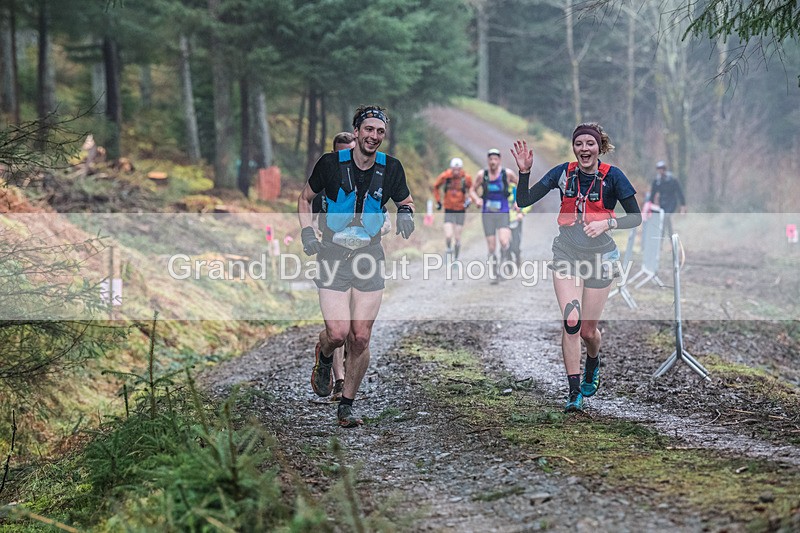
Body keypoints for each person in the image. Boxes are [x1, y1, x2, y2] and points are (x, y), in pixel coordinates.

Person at [511, 123, 642, 412]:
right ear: (574, 147)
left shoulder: (614, 177)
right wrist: (524, 172)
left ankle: (592, 362)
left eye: (590, 144)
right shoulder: (563, 173)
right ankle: (573, 393)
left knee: (587, 331)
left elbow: (636, 217)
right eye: (579, 143)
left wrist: (609, 222)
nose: (584, 149)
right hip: (567, 253)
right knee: (571, 322)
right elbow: (523, 201)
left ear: (599, 147)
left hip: (601, 257)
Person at [298, 105, 415, 427]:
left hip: (369, 255)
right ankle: (324, 357)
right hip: (333, 254)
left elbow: (405, 200)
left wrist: (406, 214)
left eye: (380, 132)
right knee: (338, 333)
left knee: (360, 337)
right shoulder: (330, 164)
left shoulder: (391, 168)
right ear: (357, 131)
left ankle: (347, 405)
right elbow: (305, 198)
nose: (374, 136)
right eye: (368, 130)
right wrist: (307, 231)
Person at [310, 132, 357, 402]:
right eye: (340, 154)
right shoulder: (325, 184)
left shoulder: (368, 178)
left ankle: (338, 364)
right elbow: (313, 219)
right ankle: (339, 381)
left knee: (354, 328)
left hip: (361, 261)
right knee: (338, 329)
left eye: (348, 153)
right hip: (330, 258)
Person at [469, 148, 518, 283]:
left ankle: (505, 263)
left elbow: (520, 186)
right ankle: (495, 273)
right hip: (487, 214)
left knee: (503, 241)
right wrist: (476, 199)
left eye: (495, 159)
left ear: (499, 160)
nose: (493, 162)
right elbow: (472, 189)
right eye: (490, 159)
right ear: (488, 160)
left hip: (503, 213)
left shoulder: (506, 174)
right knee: (491, 247)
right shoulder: (482, 175)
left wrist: (517, 201)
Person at [432, 157, 472, 263]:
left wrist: (470, 199)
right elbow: (436, 186)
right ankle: (448, 249)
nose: (456, 172)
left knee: (457, 237)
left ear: (461, 169)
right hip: (449, 209)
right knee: (449, 235)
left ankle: (456, 258)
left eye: (458, 170)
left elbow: (472, 189)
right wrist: (438, 201)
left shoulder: (466, 178)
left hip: (460, 210)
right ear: (451, 168)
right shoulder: (446, 176)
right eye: (454, 169)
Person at [649, 160, 686, 240]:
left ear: (664, 169)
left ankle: (665, 238)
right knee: (665, 220)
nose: (660, 170)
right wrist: (650, 205)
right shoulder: (657, 181)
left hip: (672, 202)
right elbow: (653, 193)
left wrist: (682, 205)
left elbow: (679, 192)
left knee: (666, 217)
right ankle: (669, 238)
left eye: (662, 168)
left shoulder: (672, 179)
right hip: (662, 203)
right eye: (659, 169)